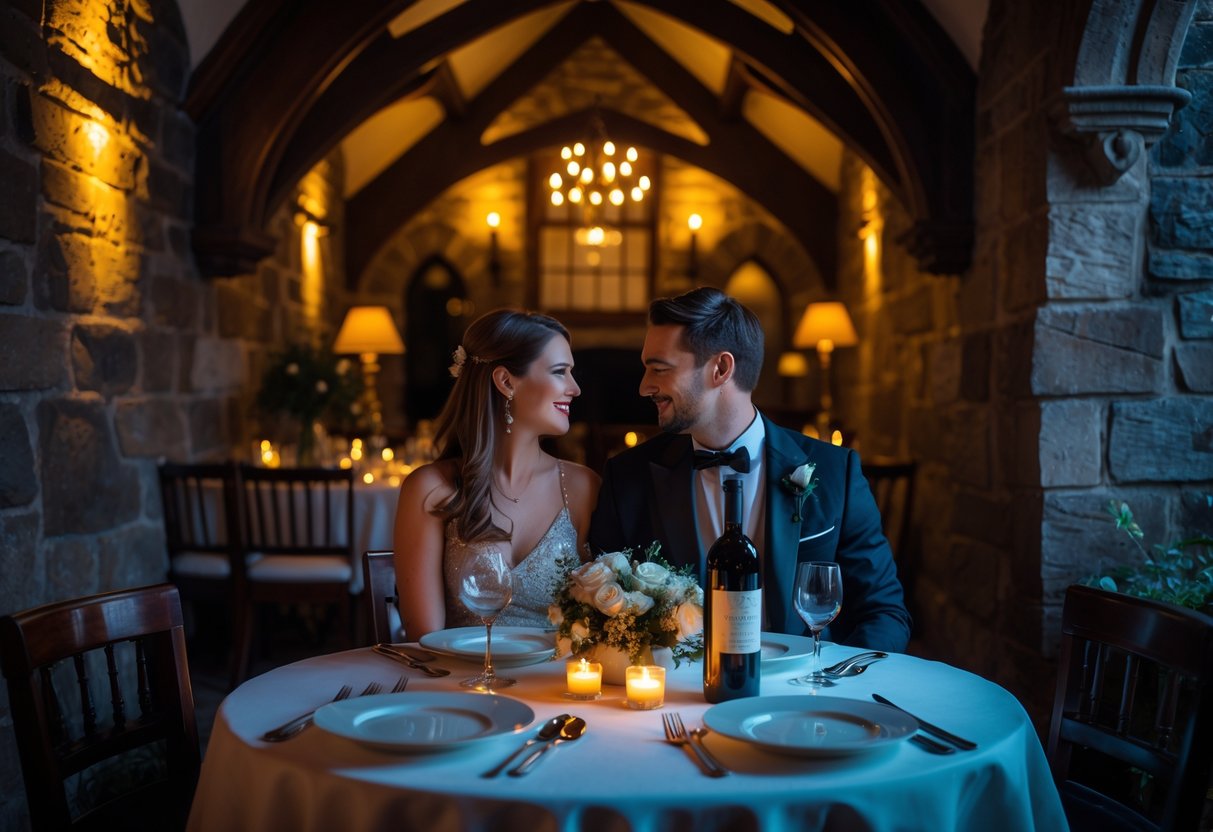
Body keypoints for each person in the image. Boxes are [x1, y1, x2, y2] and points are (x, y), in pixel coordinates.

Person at [588, 287, 911, 652]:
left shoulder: (837, 472)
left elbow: (883, 612)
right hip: (677, 693)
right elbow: (602, 612)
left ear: (721, 369)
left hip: (803, 693)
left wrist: (835, 683)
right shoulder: (628, 479)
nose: (645, 386)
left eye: (659, 369)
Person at [394, 309, 600, 641]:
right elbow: (425, 637)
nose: (575, 389)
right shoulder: (430, 489)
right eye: (561, 372)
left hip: (555, 686)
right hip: (458, 683)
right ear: (506, 382)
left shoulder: (582, 488)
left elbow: (599, 627)